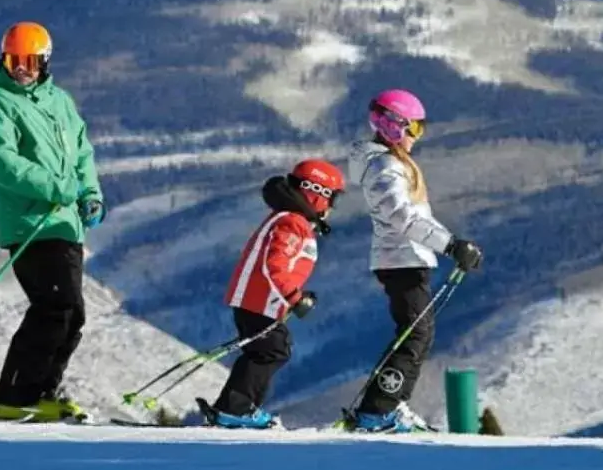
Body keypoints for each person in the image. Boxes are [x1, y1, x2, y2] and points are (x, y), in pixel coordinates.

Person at [0, 21, 105, 423]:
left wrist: (89, 192)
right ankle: (15, 396)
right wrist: (55, 187)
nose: (22, 69)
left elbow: (82, 153)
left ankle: (42, 392)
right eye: (15, 61)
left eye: (30, 61)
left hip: (65, 224)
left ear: (45, 62)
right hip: (30, 224)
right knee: (54, 306)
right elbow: (2, 161)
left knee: (72, 314)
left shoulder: (59, 101)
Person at [345, 89, 483, 433]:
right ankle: (377, 411)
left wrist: (453, 244)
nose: (416, 137)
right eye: (414, 129)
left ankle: (391, 405)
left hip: (407, 258)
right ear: (393, 125)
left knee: (418, 333)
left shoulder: (391, 164)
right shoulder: (386, 166)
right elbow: (402, 216)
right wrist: (450, 245)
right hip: (400, 259)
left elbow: (417, 216)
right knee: (414, 334)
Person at [204, 159, 345, 429]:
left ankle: (239, 409)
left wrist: (298, 296)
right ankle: (235, 410)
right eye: (332, 198)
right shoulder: (292, 223)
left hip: (261, 300)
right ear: (317, 193)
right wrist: (294, 297)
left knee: (269, 350)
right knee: (271, 350)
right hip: (257, 300)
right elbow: (275, 265)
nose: (332, 207)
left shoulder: (292, 219)